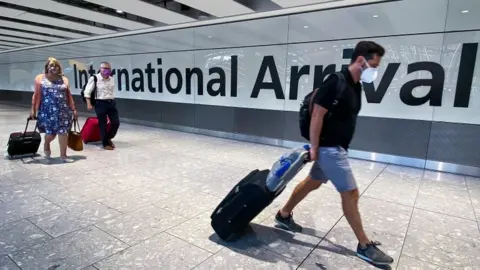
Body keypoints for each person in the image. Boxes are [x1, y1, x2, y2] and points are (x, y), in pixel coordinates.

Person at [274, 41, 394, 265]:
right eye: (374, 65)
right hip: (329, 148)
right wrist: (315, 147)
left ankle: (283, 215)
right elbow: (317, 115)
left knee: (313, 182)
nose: (376, 70)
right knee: (351, 193)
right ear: (361, 60)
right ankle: (364, 246)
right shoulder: (335, 81)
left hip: (336, 147)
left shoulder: (355, 85)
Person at [31, 57, 78, 162]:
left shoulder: (64, 79)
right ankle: (46, 143)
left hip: (63, 111)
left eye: (56, 65)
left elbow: (68, 95)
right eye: (51, 65)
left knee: (63, 132)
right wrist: (33, 110)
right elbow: (36, 95)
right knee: (51, 134)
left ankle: (63, 156)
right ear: (47, 67)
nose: (54, 67)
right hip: (47, 111)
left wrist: (73, 109)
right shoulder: (40, 79)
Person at [83, 62, 119, 150]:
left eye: (108, 69)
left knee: (115, 122)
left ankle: (108, 137)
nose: (106, 70)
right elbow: (87, 92)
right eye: (104, 68)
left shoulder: (112, 79)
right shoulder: (94, 78)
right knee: (103, 124)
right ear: (100, 68)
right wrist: (89, 103)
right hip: (100, 103)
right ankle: (105, 143)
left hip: (111, 102)